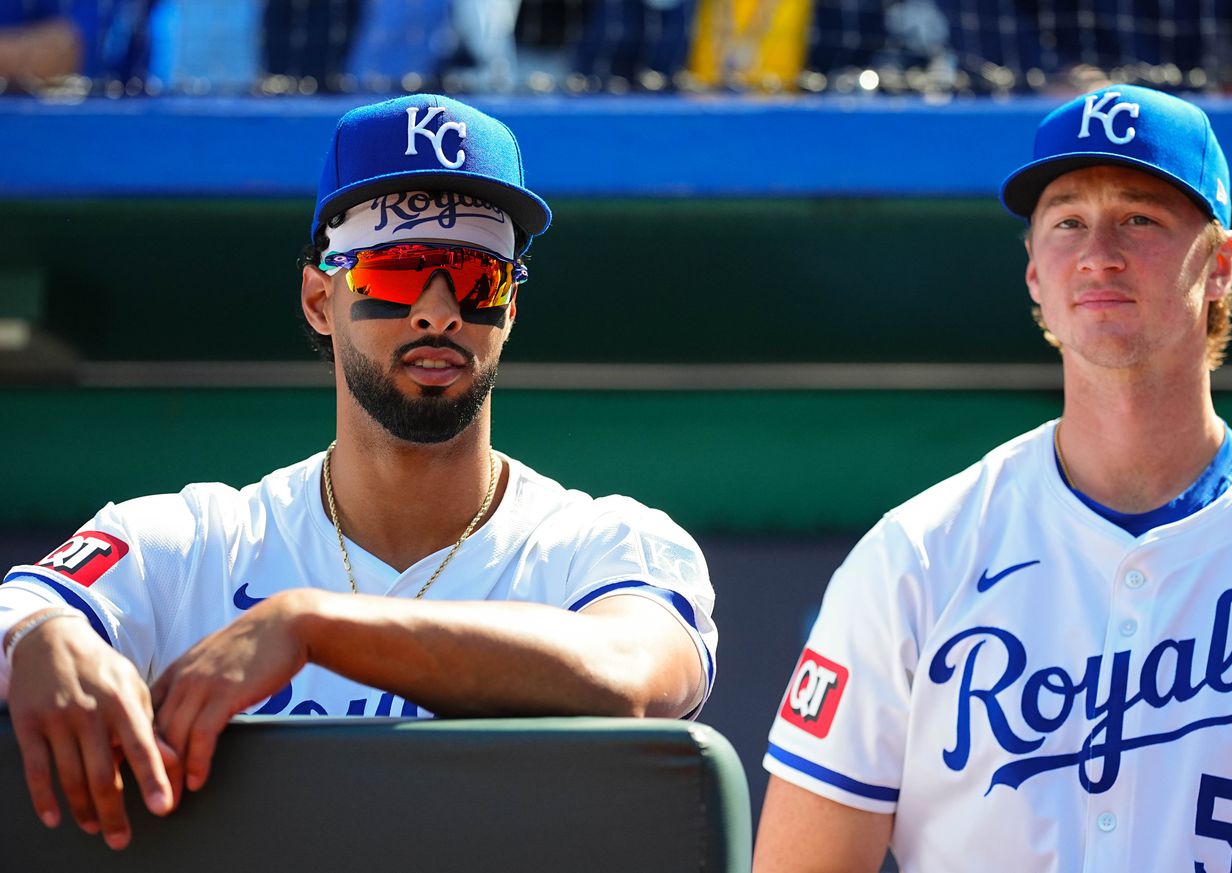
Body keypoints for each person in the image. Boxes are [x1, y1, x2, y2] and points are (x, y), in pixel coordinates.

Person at [0, 94, 716, 852]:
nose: (438, 313)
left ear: (510, 308)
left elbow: (628, 674)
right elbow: (25, 605)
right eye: (399, 272)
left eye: (479, 277)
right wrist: (40, 632)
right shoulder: (193, 541)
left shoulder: (607, 541)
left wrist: (312, 625)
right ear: (320, 298)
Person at [754, 84, 1232, 872]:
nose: (1098, 252)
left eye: (1139, 218)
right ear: (1034, 276)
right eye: (1067, 222)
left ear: (1218, 266)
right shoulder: (916, 555)